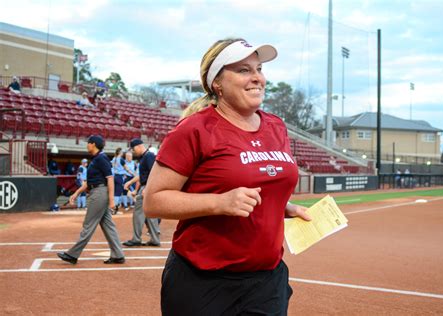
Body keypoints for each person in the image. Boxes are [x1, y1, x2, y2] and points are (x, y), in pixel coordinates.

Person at [143, 38, 311, 315]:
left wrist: (283, 207)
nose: (257, 77)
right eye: (244, 70)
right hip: (203, 282)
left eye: (259, 69)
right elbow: (154, 201)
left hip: (267, 281)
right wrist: (219, 203)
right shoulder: (195, 129)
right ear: (217, 83)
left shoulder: (276, 127)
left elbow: (258, 186)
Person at [57, 135, 125, 265]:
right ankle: (118, 255)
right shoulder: (95, 159)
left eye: (88, 143)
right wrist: (76, 193)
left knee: (89, 224)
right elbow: (89, 182)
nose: (87, 145)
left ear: (93, 144)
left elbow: (110, 178)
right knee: (108, 225)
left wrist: (112, 201)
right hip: (97, 191)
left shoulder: (101, 158)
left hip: (99, 193)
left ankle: (72, 254)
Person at [122, 138, 161, 247]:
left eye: (133, 149)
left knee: (138, 213)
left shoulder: (148, 156)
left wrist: (147, 188)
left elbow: (154, 173)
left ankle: (136, 239)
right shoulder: (145, 157)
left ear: (139, 146)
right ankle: (155, 239)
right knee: (150, 215)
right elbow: (142, 175)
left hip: (147, 187)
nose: (133, 151)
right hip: (146, 187)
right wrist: (130, 182)